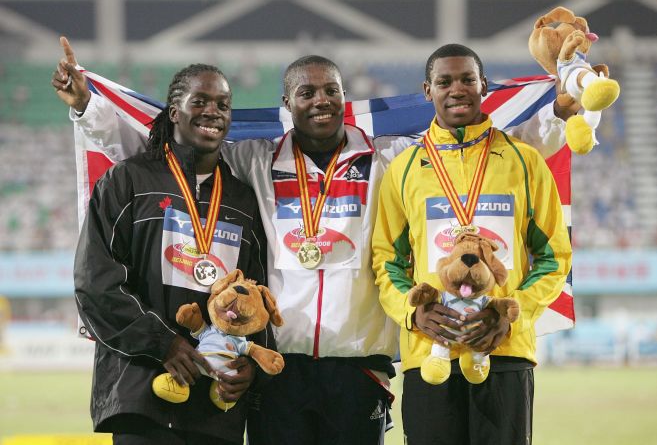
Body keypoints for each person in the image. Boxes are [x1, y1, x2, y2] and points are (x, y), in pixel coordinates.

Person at [53, 37, 573, 444]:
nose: (321, 101)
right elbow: (166, 149)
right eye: (307, 92)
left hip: (358, 369)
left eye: (331, 92)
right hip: (279, 370)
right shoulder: (253, 161)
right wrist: (88, 110)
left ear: (346, 100)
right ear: (287, 103)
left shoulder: (392, 159)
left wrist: (565, 112)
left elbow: (498, 149)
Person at [371, 43, 572, 445]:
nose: (457, 89)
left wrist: (510, 313)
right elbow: (386, 261)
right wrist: (414, 316)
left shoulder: (524, 161)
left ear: (484, 86)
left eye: (468, 79)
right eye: (445, 81)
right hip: (431, 355)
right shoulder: (405, 168)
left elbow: (554, 257)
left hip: (504, 350)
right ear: (428, 90)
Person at [64, 62, 271, 444]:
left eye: (223, 105)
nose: (214, 112)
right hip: (141, 396)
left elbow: (257, 295)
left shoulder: (243, 200)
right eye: (202, 101)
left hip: (215, 405)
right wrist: (164, 344)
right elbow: (96, 283)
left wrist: (249, 365)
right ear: (174, 112)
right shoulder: (129, 180)